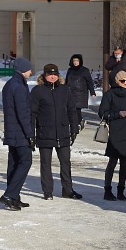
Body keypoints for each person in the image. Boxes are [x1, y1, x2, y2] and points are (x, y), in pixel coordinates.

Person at [31, 63, 82, 199]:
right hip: (44, 133)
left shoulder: (65, 90)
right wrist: (31, 134)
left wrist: (74, 128)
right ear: (44, 76)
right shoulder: (38, 91)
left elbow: (72, 110)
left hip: (63, 132)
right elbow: (32, 114)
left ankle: (68, 190)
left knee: (66, 162)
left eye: (55, 74)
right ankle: (48, 191)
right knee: (46, 163)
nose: (52, 77)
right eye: (49, 74)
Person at [0, 57, 35, 210]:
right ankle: (9, 195)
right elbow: (23, 113)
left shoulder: (10, 84)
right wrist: (30, 134)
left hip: (12, 131)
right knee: (26, 161)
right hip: (20, 132)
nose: (31, 72)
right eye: (29, 69)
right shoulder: (19, 86)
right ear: (23, 70)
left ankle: (14, 197)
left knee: (14, 164)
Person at [99, 69, 126, 200]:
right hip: (115, 130)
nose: (125, 83)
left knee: (125, 162)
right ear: (116, 81)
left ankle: (121, 190)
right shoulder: (109, 94)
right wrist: (118, 114)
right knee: (113, 161)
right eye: (122, 81)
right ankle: (107, 190)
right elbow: (102, 112)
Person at [65, 54, 97, 136]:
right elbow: (66, 81)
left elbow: (89, 81)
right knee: (71, 109)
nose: (75, 62)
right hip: (70, 92)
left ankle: (78, 123)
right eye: (74, 61)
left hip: (80, 93)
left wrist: (92, 92)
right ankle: (77, 122)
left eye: (77, 61)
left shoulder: (84, 70)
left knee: (77, 109)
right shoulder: (70, 70)